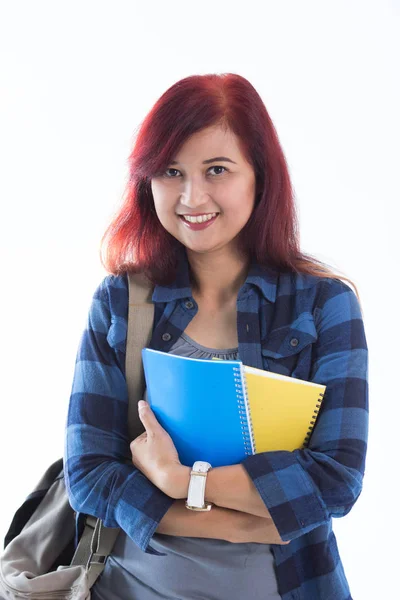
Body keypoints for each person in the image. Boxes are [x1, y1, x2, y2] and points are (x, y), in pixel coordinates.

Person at [64, 73, 369, 600]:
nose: (190, 196)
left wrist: (184, 482)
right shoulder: (119, 301)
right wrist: (238, 521)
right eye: (171, 171)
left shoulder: (325, 305)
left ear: (260, 176)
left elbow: (336, 481)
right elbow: (89, 477)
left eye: (217, 170)